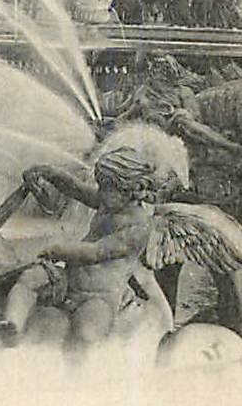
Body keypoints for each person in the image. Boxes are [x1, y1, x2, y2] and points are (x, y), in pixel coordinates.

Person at [17, 136, 187, 348]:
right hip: (69, 281)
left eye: (107, 187)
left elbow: (96, 252)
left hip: (100, 297)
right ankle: (10, 327)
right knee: (29, 279)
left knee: (86, 333)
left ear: (130, 189)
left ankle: (83, 375)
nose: (100, 192)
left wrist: (59, 250)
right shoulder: (108, 203)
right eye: (101, 186)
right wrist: (49, 173)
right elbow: (75, 188)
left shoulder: (139, 228)